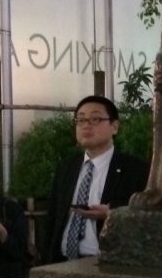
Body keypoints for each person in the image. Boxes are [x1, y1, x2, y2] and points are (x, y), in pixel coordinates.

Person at [43, 95, 149, 263]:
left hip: (108, 265)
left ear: (114, 126)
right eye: (81, 120)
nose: (86, 125)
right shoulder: (66, 167)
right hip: (62, 262)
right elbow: (52, 217)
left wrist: (112, 213)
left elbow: (147, 215)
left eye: (95, 119)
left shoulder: (135, 169)